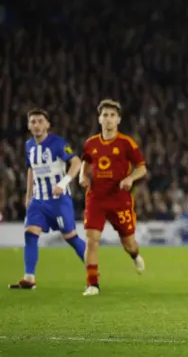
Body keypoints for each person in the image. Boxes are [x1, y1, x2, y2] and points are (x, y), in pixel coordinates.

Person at [9, 109, 86, 289]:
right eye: (33, 121)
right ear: (29, 125)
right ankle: (29, 278)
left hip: (58, 200)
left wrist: (64, 182)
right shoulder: (29, 146)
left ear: (47, 125)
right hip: (38, 200)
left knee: (70, 237)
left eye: (40, 121)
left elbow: (76, 162)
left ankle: (93, 270)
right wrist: (29, 196)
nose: (36, 124)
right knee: (30, 234)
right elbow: (31, 170)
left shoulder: (57, 143)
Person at [79, 99, 147, 296]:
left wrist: (130, 178)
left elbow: (142, 168)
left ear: (118, 119)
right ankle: (92, 283)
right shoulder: (90, 143)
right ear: (99, 119)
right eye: (105, 115)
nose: (108, 119)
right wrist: (83, 176)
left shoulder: (127, 143)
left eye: (112, 116)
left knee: (129, 244)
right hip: (96, 199)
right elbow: (86, 162)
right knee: (92, 239)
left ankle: (135, 256)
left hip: (119, 199)